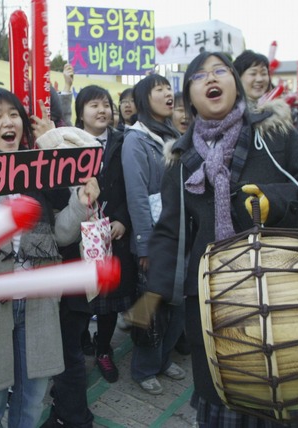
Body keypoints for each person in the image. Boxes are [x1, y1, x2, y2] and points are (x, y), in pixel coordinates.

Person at [148, 51, 298, 426]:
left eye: (220, 70)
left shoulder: (274, 133)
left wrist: (274, 202)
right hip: (213, 302)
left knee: (285, 395)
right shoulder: (180, 157)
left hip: (283, 296)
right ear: (190, 96)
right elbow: (170, 232)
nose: (211, 79)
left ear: (234, 82)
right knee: (224, 400)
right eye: (199, 76)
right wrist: (153, 294)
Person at [0, 87, 99, 428]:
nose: (8, 122)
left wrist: (81, 201)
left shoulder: (35, 167)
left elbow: (60, 236)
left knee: (30, 404)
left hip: (38, 307)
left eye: (13, 114)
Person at [121, 73, 185, 395]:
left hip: (181, 233)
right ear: (145, 99)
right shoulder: (135, 140)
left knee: (177, 303)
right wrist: (145, 246)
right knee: (151, 305)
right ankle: (144, 368)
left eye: (168, 88)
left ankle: (162, 360)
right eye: (159, 89)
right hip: (156, 238)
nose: (167, 94)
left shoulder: (173, 132)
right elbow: (137, 197)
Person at [72, 84, 136, 385]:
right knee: (81, 296)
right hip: (77, 233)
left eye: (106, 104)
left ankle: (103, 348)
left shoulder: (125, 142)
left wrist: (123, 219)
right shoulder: (68, 143)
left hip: (113, 231)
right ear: (80, 112)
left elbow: (131, 186)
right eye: (93, 105)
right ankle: (83, 338)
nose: (102, 110)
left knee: (109, 297)